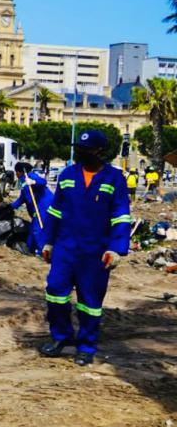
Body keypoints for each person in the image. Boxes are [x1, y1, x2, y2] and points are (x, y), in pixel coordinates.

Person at [39, 130, 131, 366]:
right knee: (55, 293)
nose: (80, 153)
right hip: (65, 248)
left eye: (85, 149)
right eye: (78, 148)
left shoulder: (114, 179)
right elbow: (55, 211)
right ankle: (61, 337)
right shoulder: (68, 175)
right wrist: (47, 241)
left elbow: (121, 215)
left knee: (90, 302)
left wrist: (116, 249)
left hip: (95, 253)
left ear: (100, 151)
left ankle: (86, 347)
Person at [10, 162, 53, 256]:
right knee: (32, 230)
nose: (16, 174)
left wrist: (34, 182)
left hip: (44, 206)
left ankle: (41, 251)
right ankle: (31, 248)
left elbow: (43, 182)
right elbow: (22, 199)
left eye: (16, 172)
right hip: (37, 208)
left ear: (20, 172)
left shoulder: (31, 176)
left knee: (37, 229)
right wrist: (9, 206)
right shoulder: (23, 183)